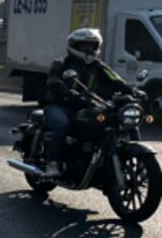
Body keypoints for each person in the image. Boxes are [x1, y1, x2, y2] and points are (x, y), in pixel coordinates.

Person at [42, 28, 141, 176]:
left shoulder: (98, 65)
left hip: (87, 105)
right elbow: (53, 80)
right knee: (63, 125)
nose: (89, 50)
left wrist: (133, 91)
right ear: (74, 46)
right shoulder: (61, 63)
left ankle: (137, 164)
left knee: (119, 122)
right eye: (85, 46)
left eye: (92, 46)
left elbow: (115, 79)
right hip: (60, 105)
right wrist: (66, 92)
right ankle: (53, 163)